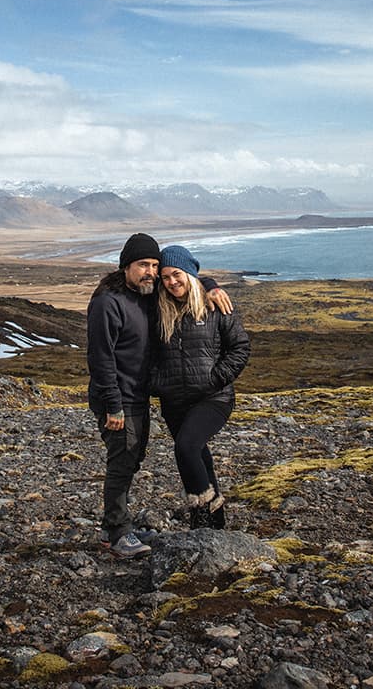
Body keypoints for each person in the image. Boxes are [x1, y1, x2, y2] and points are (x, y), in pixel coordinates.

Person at [86, 233, 231, 558]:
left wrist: (209, 285)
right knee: (122, 461)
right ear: (126, 266)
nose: (150, 272)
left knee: (133, 458)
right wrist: (113, 405)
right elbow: (100, 358)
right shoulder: (108, 302)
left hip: (137, 395)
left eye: (154, 265)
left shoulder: (146, 294)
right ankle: (117, 534)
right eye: (143, 265)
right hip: (118, 399)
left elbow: (184, 278)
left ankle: (115, 526)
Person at [151, 244, 250, 530]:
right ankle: (214, 522)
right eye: (165, 277)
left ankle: (201, 508)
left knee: (186, 447)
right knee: (198, 454)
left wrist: (215, 378)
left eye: (177, 274)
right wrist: (157, 383)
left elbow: (240, 348)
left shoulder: (214, 306)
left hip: (213, 397)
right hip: (174, 400)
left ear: (189, 273)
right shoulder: (158, 309)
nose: (172, 282)